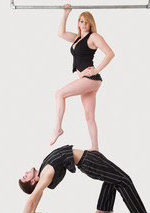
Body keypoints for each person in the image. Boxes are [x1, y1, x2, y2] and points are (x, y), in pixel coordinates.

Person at [19, 145, 150, 213]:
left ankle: (103, 208)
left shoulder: (43, 169)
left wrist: (34, 212)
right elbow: (32, 199)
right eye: (25, 177)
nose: (25, 173)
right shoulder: (46, 174)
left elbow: (39, 193)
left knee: (112, 178)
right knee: (124, 180)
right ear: (32, 182)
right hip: (89, 162)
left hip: (89, 159)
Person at [50, 4, 115, 151]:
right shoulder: (77, 38)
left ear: (91, 24)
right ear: (78, 23)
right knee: (89, 116)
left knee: (59, 94)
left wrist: (96, 69)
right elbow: (61, 33)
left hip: (91, 79)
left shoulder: (94, 37)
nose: (83, 24)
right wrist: (66, 14)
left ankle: (57, 129)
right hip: (86, 81)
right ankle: (95, 148)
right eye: (81, 21)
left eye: (86, 21)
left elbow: (110, 53)